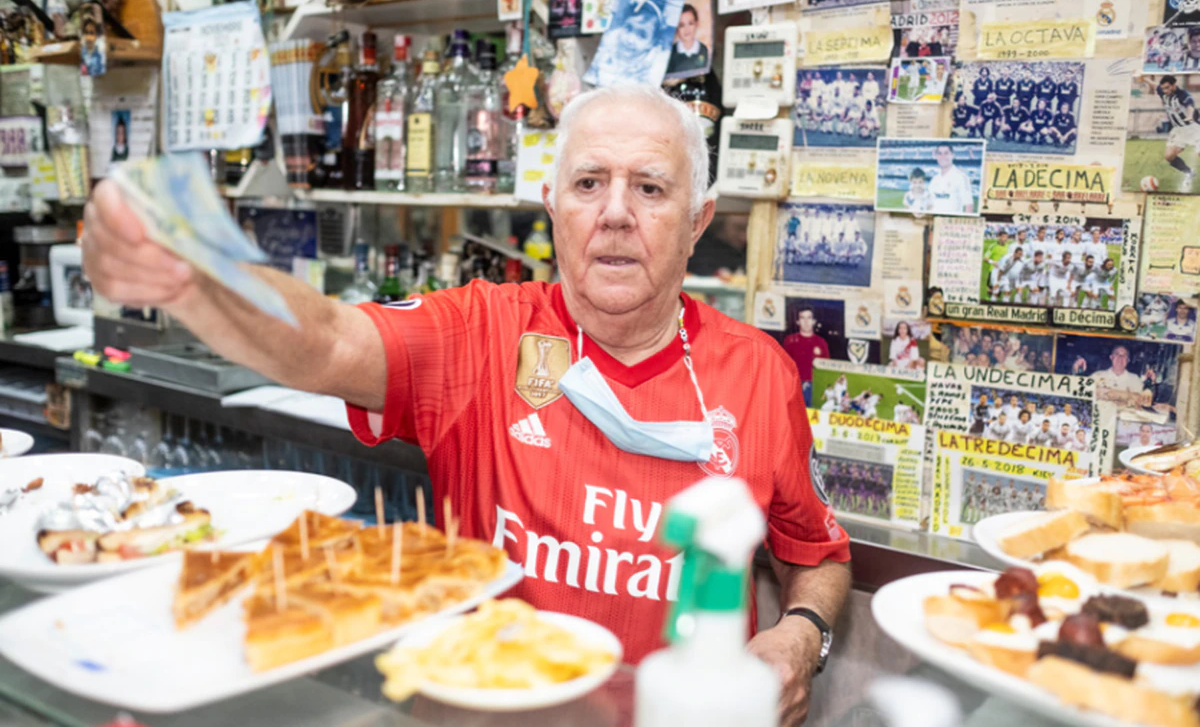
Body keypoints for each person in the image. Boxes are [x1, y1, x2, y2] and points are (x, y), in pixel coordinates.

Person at [82, 85, 851, 717]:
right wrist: (195, 277)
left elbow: (816, 552)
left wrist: (803, 633)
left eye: (650, 188)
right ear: (552, 205)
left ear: (697, 222)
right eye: (589, 184)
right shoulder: (481, 333)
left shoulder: (759, 373)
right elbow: (322, 341)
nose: (615, 213)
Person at [1156, 75, 1200, 192]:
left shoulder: (1183, 94)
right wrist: (1144, 79)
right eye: (1163, 88)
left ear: (1174, 85)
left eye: (1167, 88)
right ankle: (1189, 172)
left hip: (1193, 129)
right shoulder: (1164, 93)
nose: (1164, 91)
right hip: (1178, 130)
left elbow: (1190, 106)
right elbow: (1155, 87)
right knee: (1169, 156)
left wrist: (1190, 115)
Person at [782, 305, 831, 406]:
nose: (806, 321)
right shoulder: (789, 340)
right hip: (794, 386)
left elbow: (826, 370)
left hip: (813, 387)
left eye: (809, 318)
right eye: (802, 318)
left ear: (813, 321)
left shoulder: (821, 343)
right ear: (798, 322)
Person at [926, 144, 976, 215]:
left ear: (952, 155)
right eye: (939, 153)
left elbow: (969, 206)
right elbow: (929, 204)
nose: (943, 157)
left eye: (946, 153)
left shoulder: (961, 177)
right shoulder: (934, 179)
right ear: (936, 156)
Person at [665, 4, 710, 78]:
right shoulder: (671, 52)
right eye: (682, 25)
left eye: (690, 23)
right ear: (677, 28)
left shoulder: (703, 49)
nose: (687, 29)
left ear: (696, 24)